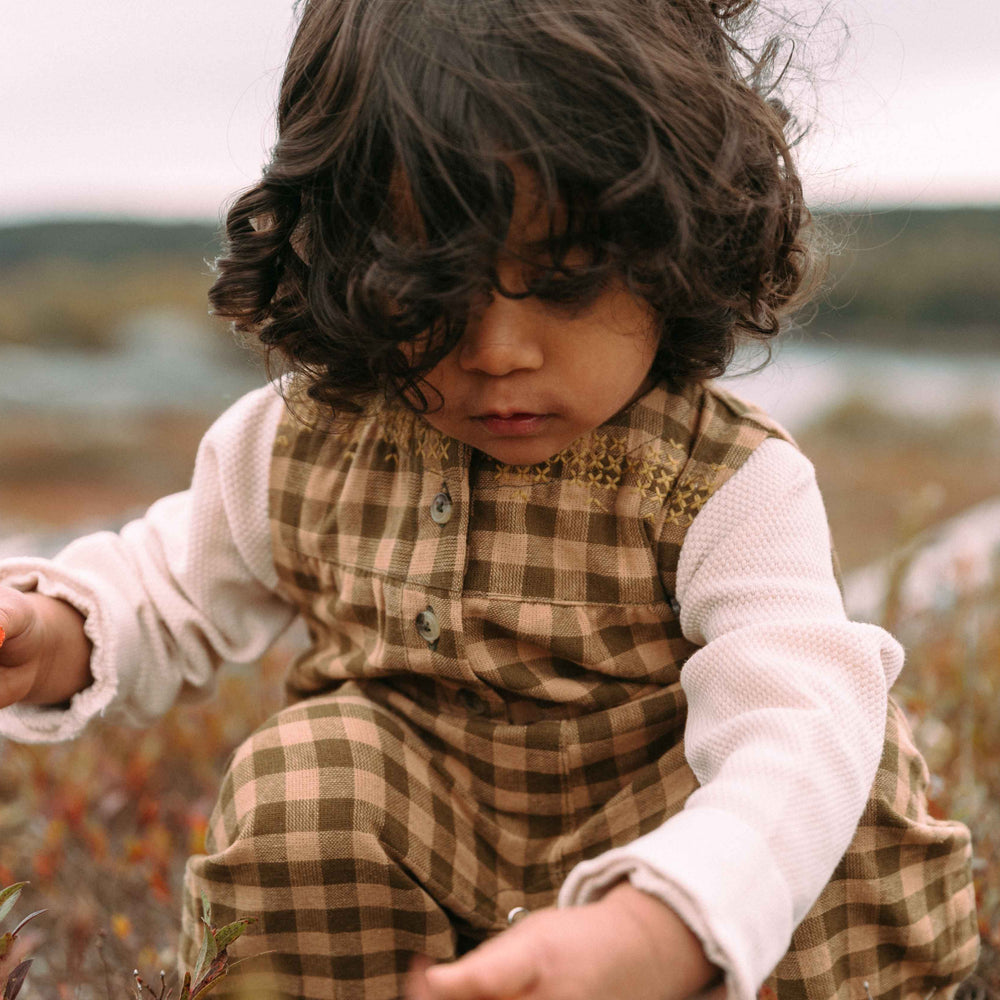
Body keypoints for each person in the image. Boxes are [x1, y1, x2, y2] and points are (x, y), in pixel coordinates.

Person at [0, 0, 980, 997]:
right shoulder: (296, 443)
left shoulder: (726, 481)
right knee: (314, 770)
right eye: (432, 288)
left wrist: (664, 922)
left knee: (827, 779)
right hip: (424, 893)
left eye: (562, 280)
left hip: (689, 886)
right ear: (338, 255)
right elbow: (165, 589)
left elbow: (792, 714)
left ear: (676, 249)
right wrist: (52, 628)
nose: (496, 351)